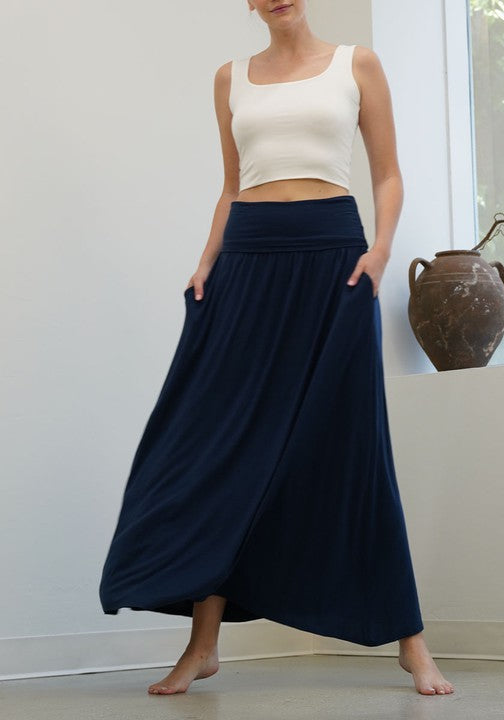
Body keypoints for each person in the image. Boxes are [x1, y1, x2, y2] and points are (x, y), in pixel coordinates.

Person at [99, 0, 455, 699]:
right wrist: (207, 262)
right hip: (248, 261)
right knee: (220, 447)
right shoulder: (230, 77)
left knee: (355, 447)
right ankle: (204, 645)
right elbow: (234, 187)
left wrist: (381, 251)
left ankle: (412, 643)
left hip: (333, 259)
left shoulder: (358, 64)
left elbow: (386, 173)